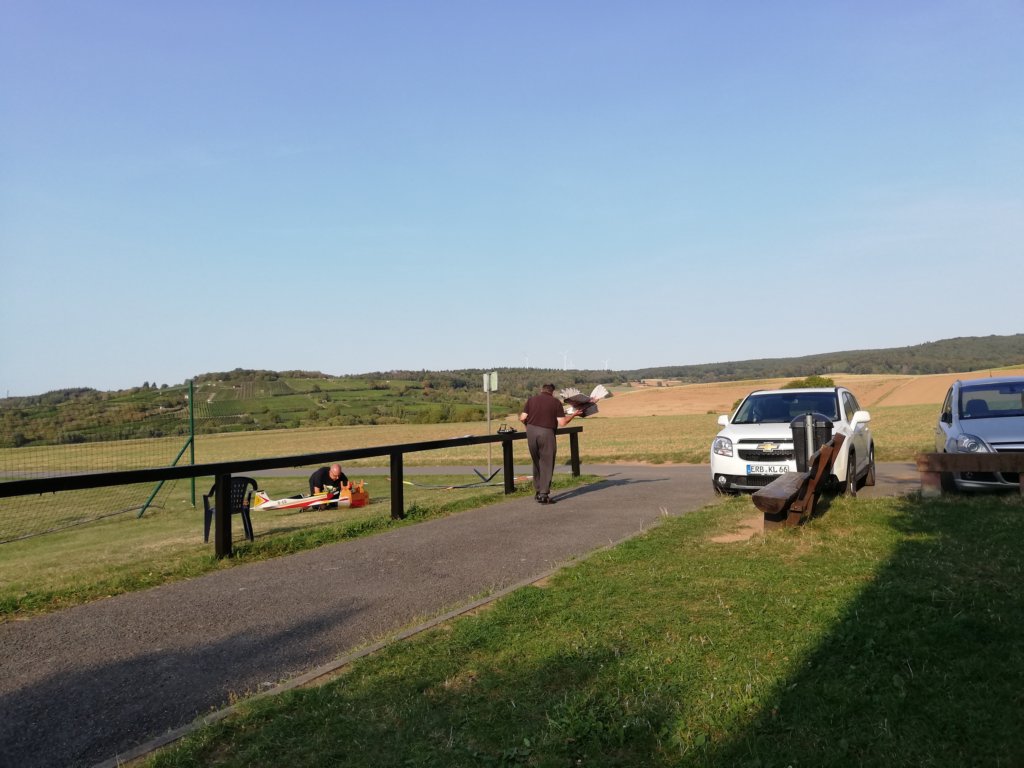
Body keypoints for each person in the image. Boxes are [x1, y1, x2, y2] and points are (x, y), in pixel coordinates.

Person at [519, 384, 578, 504]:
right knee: (547, 462)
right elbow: (562, 423)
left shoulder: (531, 400)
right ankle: (544, 495)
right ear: (552, 392)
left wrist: (528, 427)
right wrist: (574, 415)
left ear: (541, 390)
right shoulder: (555, 402)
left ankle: (538, 491)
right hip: (546, 433)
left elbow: (522, 418)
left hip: (531, 432)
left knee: (537, 462)